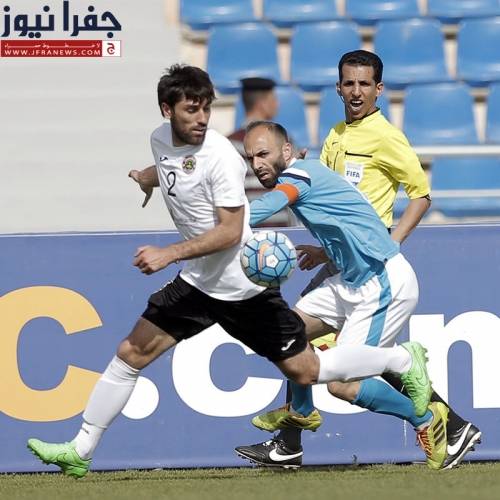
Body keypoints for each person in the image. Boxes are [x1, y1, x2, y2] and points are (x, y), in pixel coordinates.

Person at [26, 65, 431, 478]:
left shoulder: (221, 156)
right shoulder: (159, 140)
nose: (202, 118)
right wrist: (148, 177)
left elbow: (231, 231)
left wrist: (169, 254)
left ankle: (400, 360)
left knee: (307, 370)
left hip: (243, 287)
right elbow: (173, 165)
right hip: (199, 282)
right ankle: (80, 449)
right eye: (192, 110)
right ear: (167, 110)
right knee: (131, 353)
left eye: (206, 109)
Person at [235, 50, 481, 471]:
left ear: (378, 89)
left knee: (349, 374)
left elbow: (421, 196)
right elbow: (329, 201)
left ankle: (443, 423)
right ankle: (295, 433)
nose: (356, 91)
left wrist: (392, 243)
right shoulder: (334, 136)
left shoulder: (386, 136)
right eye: (349, 83)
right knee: (291, 334)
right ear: (338, 88)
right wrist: (325, 249)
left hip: (376, 265)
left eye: (364, 84)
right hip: (345, 262)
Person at [227, 77, 278, 156]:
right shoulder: (278, 141)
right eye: (274, 99)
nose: (277, 104)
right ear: (263, 104)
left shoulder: (229, 143)